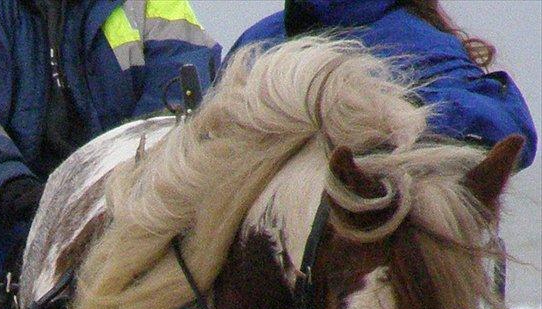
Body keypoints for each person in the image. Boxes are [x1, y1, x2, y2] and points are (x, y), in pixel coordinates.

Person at [0, 0, 221, 309]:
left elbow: (182, 91)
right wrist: (10, 185)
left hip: (130, 200)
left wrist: (117, 185)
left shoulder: (153, 5)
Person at [229, 0, 537, 168]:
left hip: (370, 268)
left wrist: (388, 116)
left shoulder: (415, 41)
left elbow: (509, 133)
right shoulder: (260, 41)